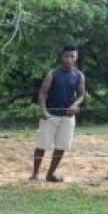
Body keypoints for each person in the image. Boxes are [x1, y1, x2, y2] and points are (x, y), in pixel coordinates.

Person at [31, 44, 86, 183]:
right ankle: (35, 174)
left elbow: (81, 95)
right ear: (61, 57)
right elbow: (42, 93)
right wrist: (43, 110)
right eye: (66, 56)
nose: (69, 59)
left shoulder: (79, 75)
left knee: (61, 147)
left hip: (67, 117)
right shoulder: (53, 73)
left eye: (72, 56)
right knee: (42, 146)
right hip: (50, 115)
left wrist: (75, 105)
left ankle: (50, 174)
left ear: (76, 57)